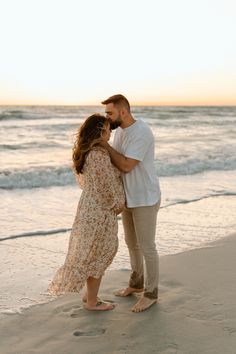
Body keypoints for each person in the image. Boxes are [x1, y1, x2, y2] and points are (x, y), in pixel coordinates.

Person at [48, 114, 125, 311]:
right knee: (100, 252)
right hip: (100, 210)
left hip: (89, 207)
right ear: (100, 131)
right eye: (108, 129)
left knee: (93, 252)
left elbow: (87, 183)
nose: (110, 133)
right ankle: (92, 301)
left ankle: (89, 296)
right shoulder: (99, 155)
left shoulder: (88, 152)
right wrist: (119, 203)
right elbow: (105, 187)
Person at [101, 94, 161, 313]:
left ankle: (151, 293)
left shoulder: (141, 132)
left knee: (147, 246)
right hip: (128, 197)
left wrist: (103, 145)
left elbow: (126, 165)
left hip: (145, 196)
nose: (106, 117)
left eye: (110, 113)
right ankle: (136, 283)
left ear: (123, 112)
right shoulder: (120, 132)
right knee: (131, 243)